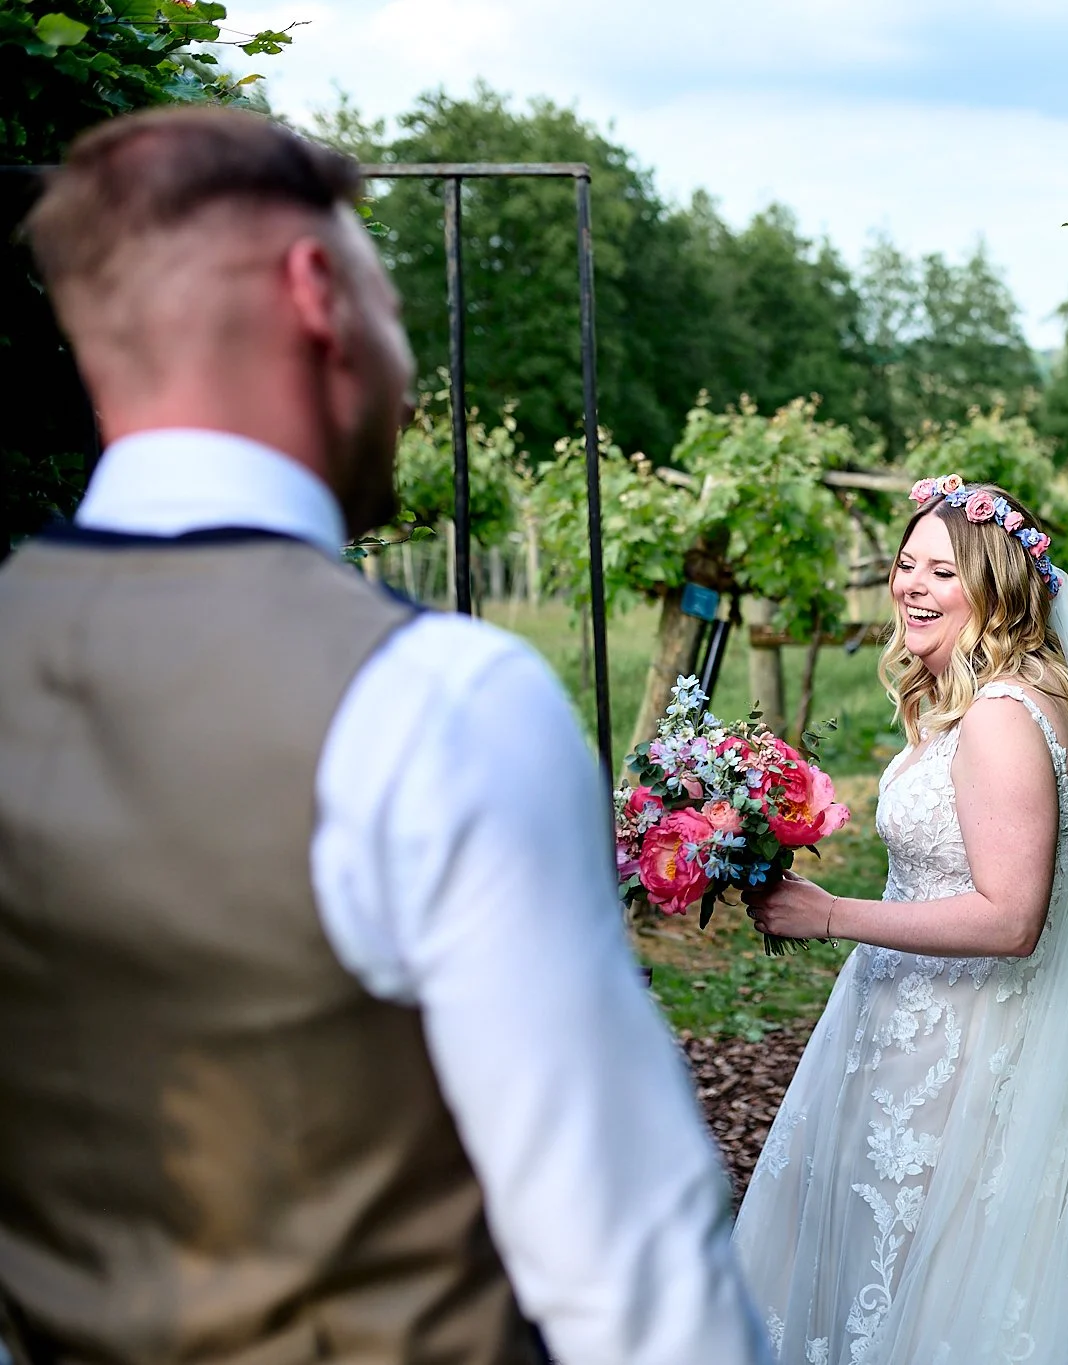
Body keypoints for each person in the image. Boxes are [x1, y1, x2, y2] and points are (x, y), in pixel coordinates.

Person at [0, 107, 767, 1365]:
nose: (406, 372)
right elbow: (634, 1288)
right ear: (318, 293)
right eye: (392, 303)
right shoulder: (436, 701)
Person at [737, 476, 1068, 1363]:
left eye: (941, 571)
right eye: (906, 564)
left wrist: (830, 914)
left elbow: (1011, 916)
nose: (911, 584)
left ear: (993, 589)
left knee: (930, 1296)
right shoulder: (996, 702)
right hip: (917, 1037)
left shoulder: (999, 719)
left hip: (963, 1059)